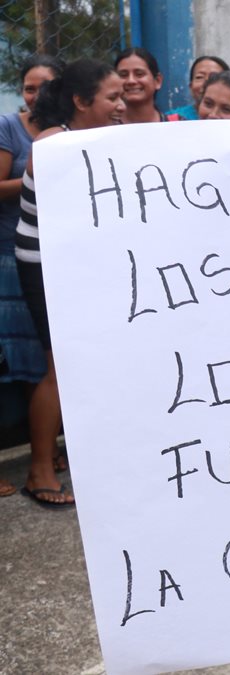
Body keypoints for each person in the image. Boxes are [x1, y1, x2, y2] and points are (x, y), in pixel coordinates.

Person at [14, 58, 126, 508]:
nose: (122, 105)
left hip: (81, 265)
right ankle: (39, 469)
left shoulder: (100, 138)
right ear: (81, 101)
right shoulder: (52, 145)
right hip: (45, 266)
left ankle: (77, 457)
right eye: (112, 97)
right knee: (59, 367)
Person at [0, 55, 61, 498]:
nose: (36, 96)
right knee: (11, 362)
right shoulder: (10, 127)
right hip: (10, 255)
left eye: (45, 87)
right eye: (28, 87)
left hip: (53, 261)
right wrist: (41, 174)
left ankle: (50, 450)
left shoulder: (66, 132)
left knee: (41, 361)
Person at [165, 55, 229, 120]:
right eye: (199, 77)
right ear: (191, 86)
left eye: (214, 77)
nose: (205, 83)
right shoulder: (173, 119)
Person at [115, 47, 165, 123]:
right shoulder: (105, 127)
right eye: (123, 75)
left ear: (157, 81)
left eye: (139, 74)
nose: (131, 81)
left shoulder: (177, 125)